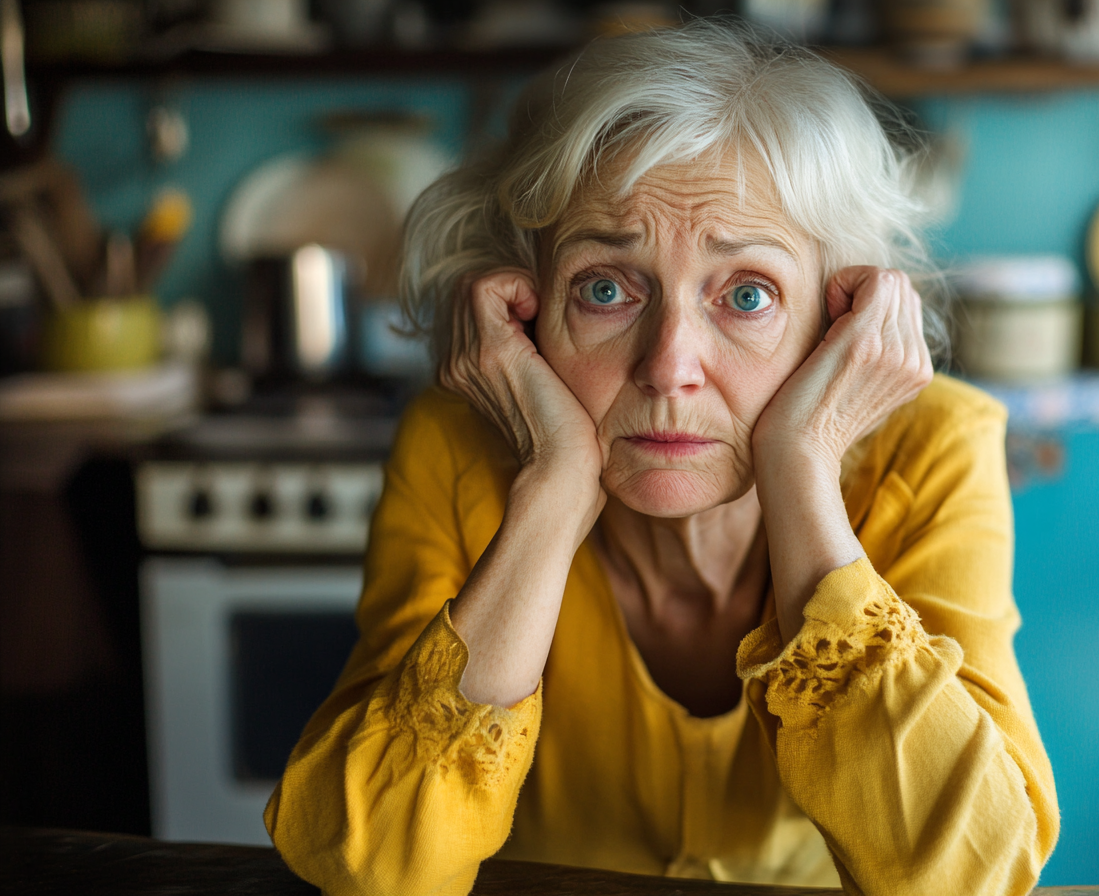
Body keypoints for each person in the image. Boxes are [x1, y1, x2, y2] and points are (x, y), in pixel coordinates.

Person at [265, 20, 1059, 896]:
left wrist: (802, 468)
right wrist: (553, 492)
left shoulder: (933, 444)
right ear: (524, 306)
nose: (668, 365)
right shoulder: (454, 447)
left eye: (748, 294)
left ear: (838, 324)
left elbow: (966, 875)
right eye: (606, 288)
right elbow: (373, 866)